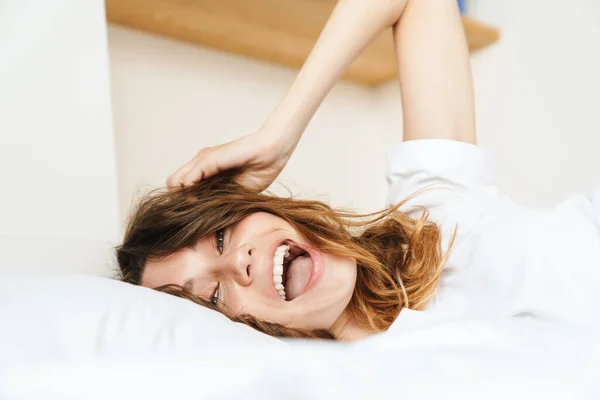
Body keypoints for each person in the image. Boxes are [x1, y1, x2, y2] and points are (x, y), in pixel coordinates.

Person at [117, 0, 600, 341]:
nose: (237, 262)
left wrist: (279, 133)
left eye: (220, 238)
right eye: (214, 296)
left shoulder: (430, 215)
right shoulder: (381, 375)